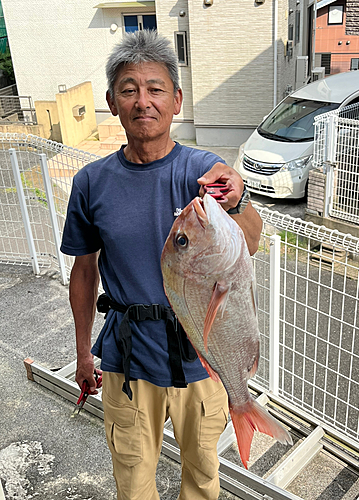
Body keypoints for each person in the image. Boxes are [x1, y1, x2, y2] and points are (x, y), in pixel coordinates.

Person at [61, 30, 263, 500]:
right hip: (127, 362)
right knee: (133, 484)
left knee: (202, 480)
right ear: (112, 102)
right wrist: (83, 352)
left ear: (175, 100)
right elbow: (84, 272)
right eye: (129, 89)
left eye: (155, 89)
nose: (142, 101)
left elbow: (249, 243)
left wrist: (238, 200)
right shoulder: (92, 182)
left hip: (200, 360)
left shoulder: (203, 171)